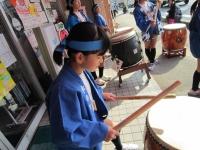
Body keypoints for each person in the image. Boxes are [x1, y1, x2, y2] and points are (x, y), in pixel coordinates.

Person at [46, 22, 138, 150]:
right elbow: (67, 131)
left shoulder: (82, 72)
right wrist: (101, 131)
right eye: (100, 56)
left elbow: (87, 92)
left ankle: (120, 147)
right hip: (79, 145)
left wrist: (101, 94)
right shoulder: (62, 89)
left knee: (113, 126)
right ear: (80, 57)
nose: (102, 61)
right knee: (109, 128)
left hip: (90, 120)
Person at [133, 0, 162, 71]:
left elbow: (156, 13)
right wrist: (149, 22)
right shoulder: (136, 10)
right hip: (146, 30)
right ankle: (151, 61)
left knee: (153, 45)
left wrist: (159, 6)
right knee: (147, 46)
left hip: (155, 28)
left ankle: (152, 61)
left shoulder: (150, 4)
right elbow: (139, 22)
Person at [91, 4, 111, 86]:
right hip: (99, 39)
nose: (98, 9)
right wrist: (106, 28)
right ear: (94, 10)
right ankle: (96, 79)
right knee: (98, 59)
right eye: (97, 8)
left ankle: (101, 76)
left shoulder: (99, 15)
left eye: (98, 7)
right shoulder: (96, 17)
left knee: (102, 58)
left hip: (102, 38)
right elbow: (99, 27)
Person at [188, 0, 200, 97]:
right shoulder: (198, 11)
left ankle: (194, 88)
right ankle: (194, 89)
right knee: (199, 68)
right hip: (198, 45)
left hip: (196, 45)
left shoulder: (197, 9)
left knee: (199, 67)